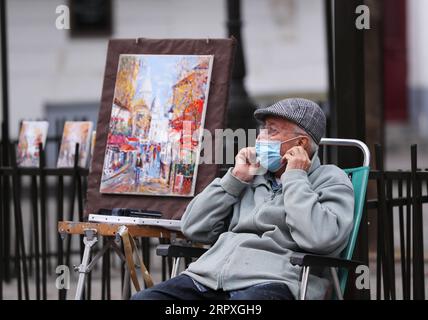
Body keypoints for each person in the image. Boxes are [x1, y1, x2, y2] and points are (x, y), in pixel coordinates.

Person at [132, 98, 354, 300]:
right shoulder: (251, 176)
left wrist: (295, 178)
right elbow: (193, 227)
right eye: (262, 130)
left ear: (301, 144)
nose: (260, 138)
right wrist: (235, 178)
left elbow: (321, 238)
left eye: (272, 131)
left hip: (271, 280)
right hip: (207, 277)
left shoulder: (330, 179)